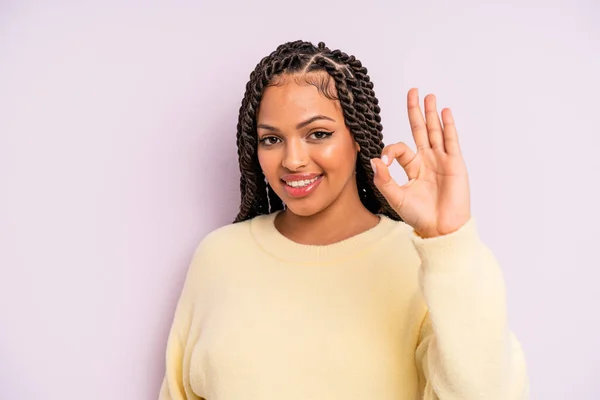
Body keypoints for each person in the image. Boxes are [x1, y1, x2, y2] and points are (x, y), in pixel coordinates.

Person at [158, 40, 529, 399]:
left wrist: (448, 240)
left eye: (318, 134)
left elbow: (485, 391)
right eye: (271, 140)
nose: (293, 160)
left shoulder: (423, 262)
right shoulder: (220, 257)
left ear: (358, 137)